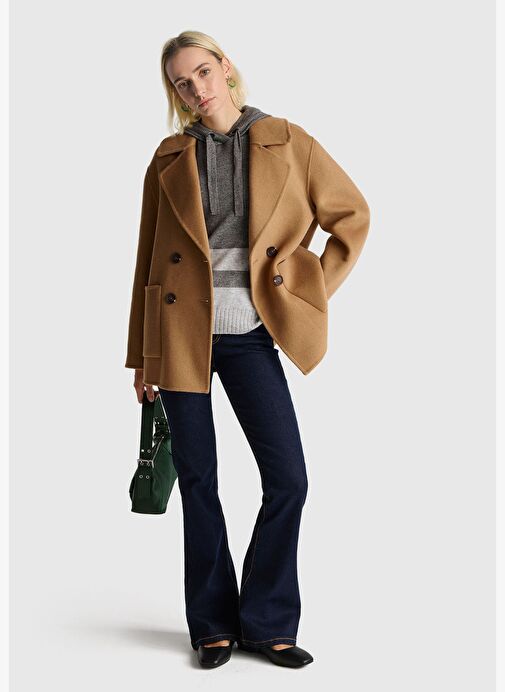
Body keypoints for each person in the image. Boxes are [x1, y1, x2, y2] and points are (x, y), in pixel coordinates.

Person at [125, 30, 370, 669]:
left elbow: (351, 216)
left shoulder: (287, 140)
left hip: (253, 334)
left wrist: (305, 291)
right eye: (182, 83)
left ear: (226, 67)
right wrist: (143, 356)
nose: (196, 89)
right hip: (179, 334)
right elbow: (148, 257)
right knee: (199, 482)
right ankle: (212, 626)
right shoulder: (169, 156)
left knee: (288, 478)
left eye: (203, 72)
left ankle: (266, 622)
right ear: (175, 93)